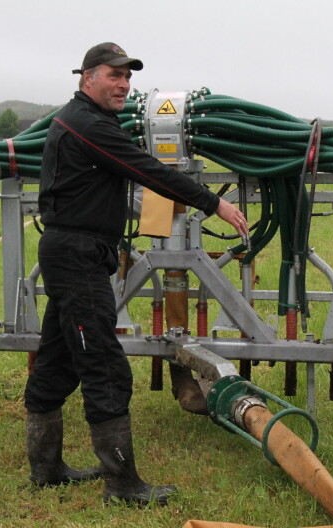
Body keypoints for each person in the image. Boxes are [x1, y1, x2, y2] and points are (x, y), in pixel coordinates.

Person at [23, 42, 248, 506]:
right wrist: (215, 203)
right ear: (87, 77)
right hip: (78, 257)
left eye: (128, 77)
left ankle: (45, 469)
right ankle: (122, 486)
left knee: (57, 359)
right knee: (104, 365)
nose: (124, 84)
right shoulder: (87, 125)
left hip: (74, 252)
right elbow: (149, 170)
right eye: (113, 75)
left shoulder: (86, 120)